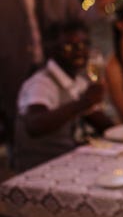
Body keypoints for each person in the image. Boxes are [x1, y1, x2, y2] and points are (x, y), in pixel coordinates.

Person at [0, 0, 82, 154]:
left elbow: (75, 20)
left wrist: (100, 8)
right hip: (7, 73)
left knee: (51, 144)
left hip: (51, 72)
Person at [12, 20, 114, 172]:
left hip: (70, 160)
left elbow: (100, 122)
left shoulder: (78, 81)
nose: (80, 51)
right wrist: (83, 102)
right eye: (69, 46)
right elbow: (34, 126)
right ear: (52, 50)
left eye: (84, 44)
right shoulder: (41, 83)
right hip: (41, 169)